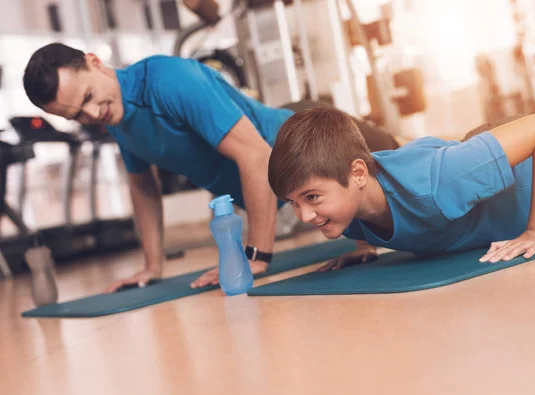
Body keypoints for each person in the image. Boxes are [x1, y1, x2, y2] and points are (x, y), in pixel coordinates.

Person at [22, 43, 400, 292]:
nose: (92, 114)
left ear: (95, 62)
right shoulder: (118, 122)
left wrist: (258, 256)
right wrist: (152, 267)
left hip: (308, 137)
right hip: (284, 173)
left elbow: (257, 156)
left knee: (411, 168)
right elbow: (142, 187)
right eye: (77, 115)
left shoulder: (169, 81)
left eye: (88, 97)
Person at [266, 107, 535, 269]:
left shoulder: (436, 182)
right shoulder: (346, 205)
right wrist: (362, 247)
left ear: (356, 175)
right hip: (491, 185)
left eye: (311, 198)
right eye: (292, 203)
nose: (305, 215)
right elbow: (359, 202)